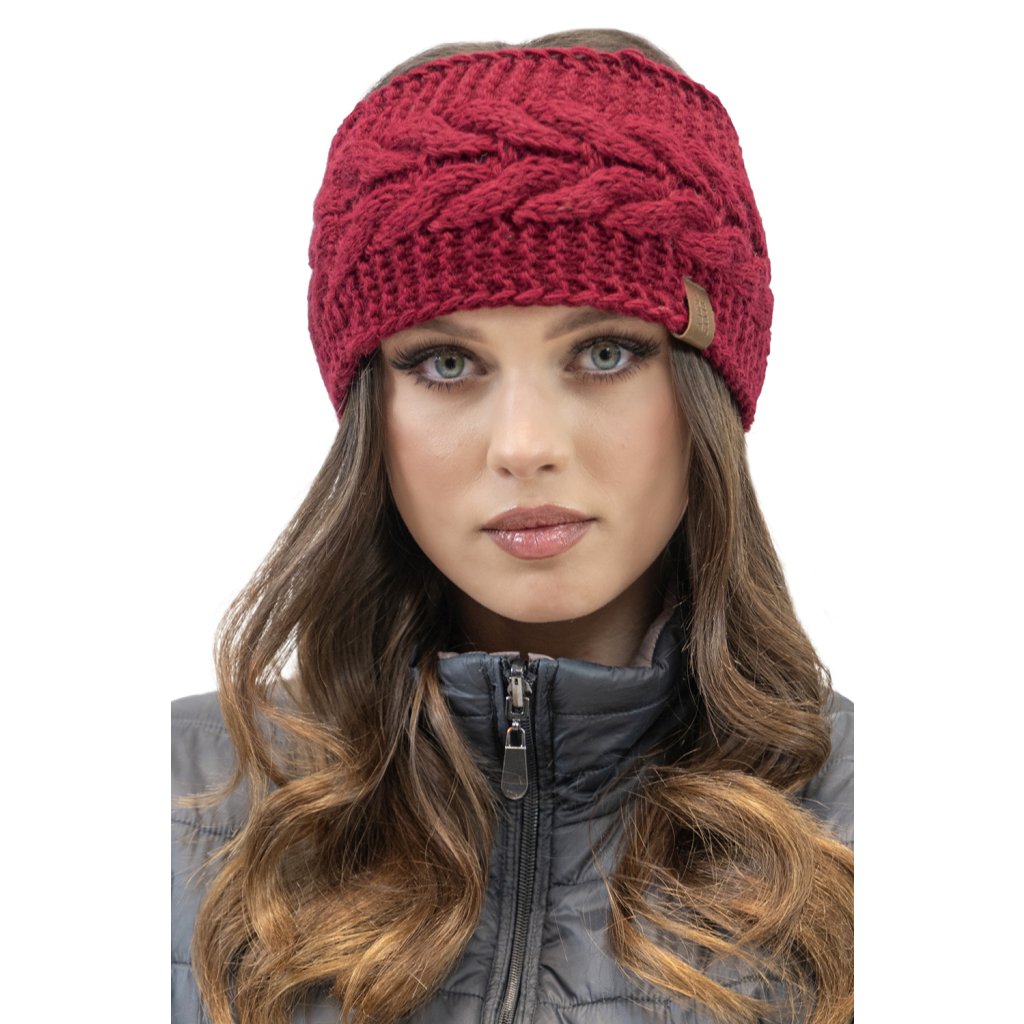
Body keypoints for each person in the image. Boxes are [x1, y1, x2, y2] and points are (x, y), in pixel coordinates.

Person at [172, 27, 854, 1024]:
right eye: (446, 363)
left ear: (709, 390)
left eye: (605, 352)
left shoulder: (874, 818)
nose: (524, 446)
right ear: (371, 411)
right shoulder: (173, 798)